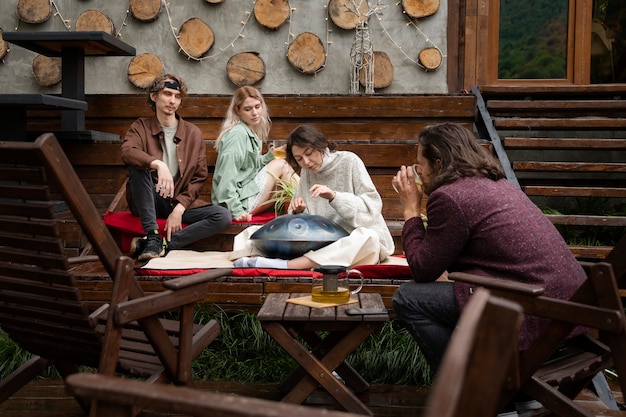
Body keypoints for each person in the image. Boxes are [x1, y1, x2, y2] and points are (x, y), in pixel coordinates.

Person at [391, 122, 587, 416]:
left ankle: (470, 392)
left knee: (409, 298)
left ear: (439, 163)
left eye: (420, 165)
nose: (417, 172)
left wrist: (409, 209)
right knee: (453, 296)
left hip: (531, 307)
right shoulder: (497, 184)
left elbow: (422, 269)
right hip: (568, 305)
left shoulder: (450, 197)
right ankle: (515, 395)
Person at [234, 124, 394, 269]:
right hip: (322, 242)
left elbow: (371, 207)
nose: (306, 162)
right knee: (252, 232)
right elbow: (303, 225)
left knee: (369, 238)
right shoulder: (307, 172)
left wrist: (334, 197)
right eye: (299, 159)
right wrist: (298, 211)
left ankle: (287, 265)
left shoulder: (349, 161)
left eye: (309, 153)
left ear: (321, 145)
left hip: (349, 238)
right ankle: (255, 260)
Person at [121, 73, 231, 261]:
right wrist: (156, 164)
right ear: (153, 96)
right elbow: (127, 151)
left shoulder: (192, 133)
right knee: (138, 167)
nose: (173, 101)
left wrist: (179, 208)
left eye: (177, 96)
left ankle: (162, 245)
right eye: (167, 94)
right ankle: (153, 235)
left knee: (222, 216)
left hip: (177, 200)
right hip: (149, 200)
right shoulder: (141, 126)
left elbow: (199, 177)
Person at [211, 86, 298, 222]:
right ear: (237, 110)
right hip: (238, 203)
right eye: (248, 109)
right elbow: (226, 176)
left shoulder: (249, 131)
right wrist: (237, 211)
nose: (255, 113)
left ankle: (305, 208)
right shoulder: (237, 134)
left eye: (257, 106)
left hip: (246, 195)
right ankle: (312, 205)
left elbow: (249, 169)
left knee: (283, 174)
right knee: (281, 165)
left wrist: (270, 156)